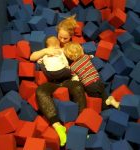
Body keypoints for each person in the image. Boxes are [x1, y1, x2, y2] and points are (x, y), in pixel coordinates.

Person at [30, 15, 86, 147]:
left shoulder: (68, 48)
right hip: (53, 83)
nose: (61, 40)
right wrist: (46, 50)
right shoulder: (51, 47)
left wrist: (75, 53)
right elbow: (32, 57)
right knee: (40, 91)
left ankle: (81, 123)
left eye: (65, 38)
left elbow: (80, 57)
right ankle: (57, 126)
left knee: (78, 86)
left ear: (71, 37)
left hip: (67, 80)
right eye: (59, 37)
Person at [64, 41, 114, 109]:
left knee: (96, 100)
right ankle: (109, 102)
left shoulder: (72, 67)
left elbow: (74, 77)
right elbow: (91, 56)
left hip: (89, 85)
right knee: (103, 93)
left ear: (69, 57)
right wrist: (92, 56)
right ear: (81, 50)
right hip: (98, 80)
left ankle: (104, 108)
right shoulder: (86, 57)